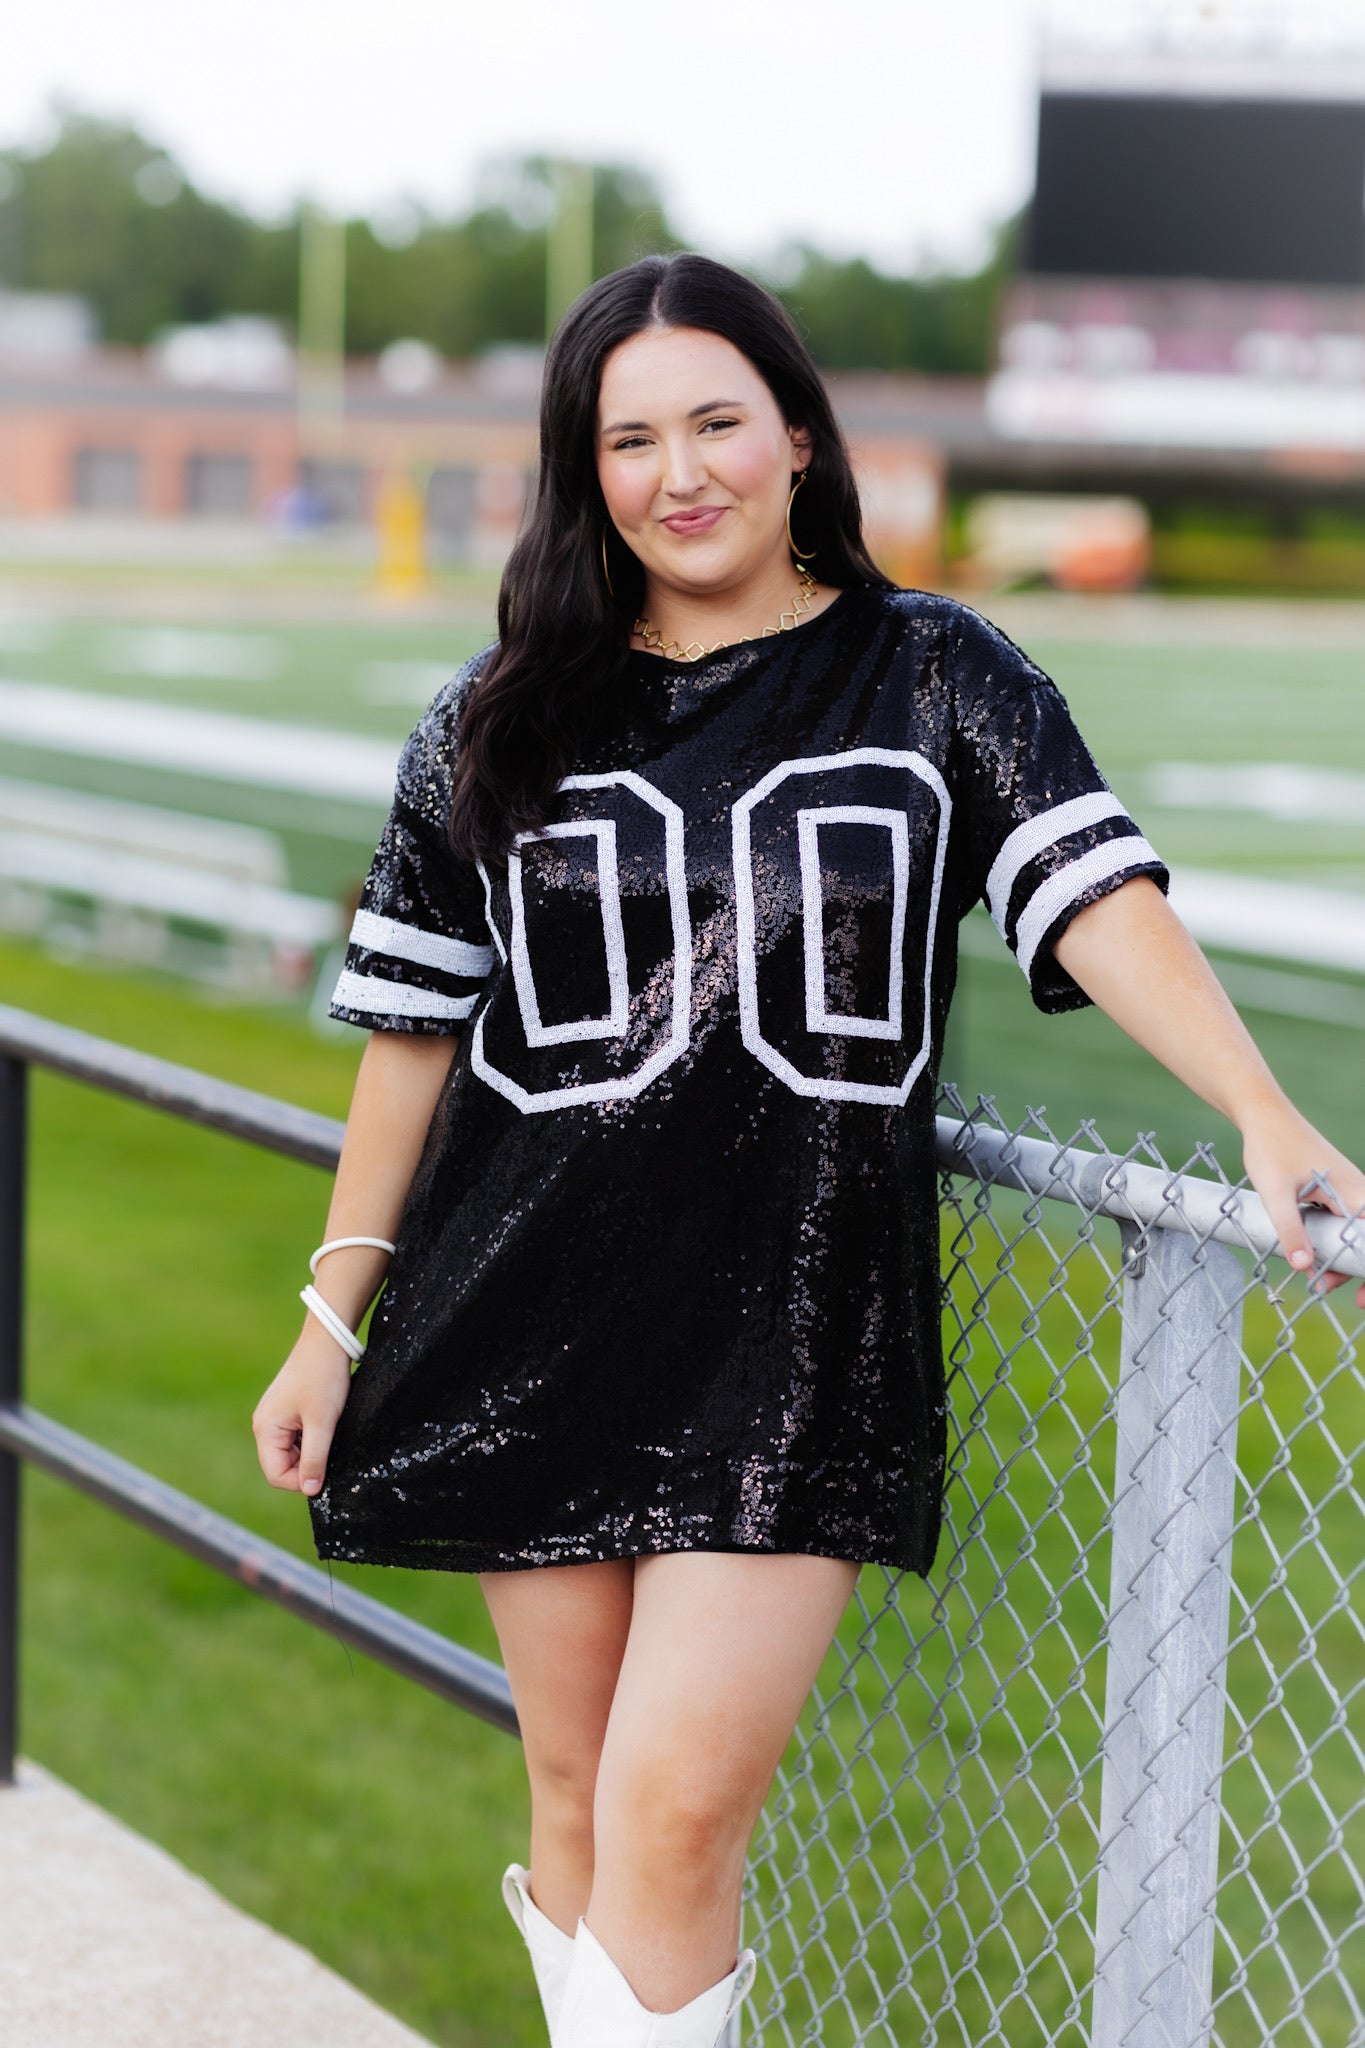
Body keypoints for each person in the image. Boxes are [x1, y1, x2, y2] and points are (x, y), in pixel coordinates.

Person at [252, 253, 1365, 2048]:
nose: (676, 472)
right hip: (523, 1307)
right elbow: (409, 1040)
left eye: (713, 422)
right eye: (629, 439)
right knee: (570, 1799)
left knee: (674, 1812)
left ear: (793, 435)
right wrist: (333, 1314)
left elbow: (1091, 896)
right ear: (582, 469)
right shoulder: (501, 709)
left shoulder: (933, 673)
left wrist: (1258, 1107)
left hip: (794, 1332)